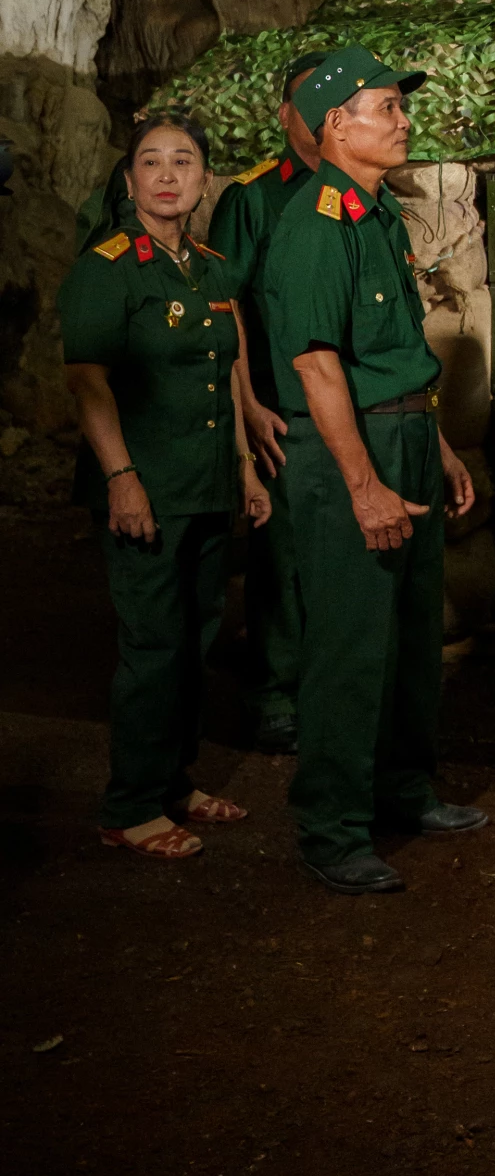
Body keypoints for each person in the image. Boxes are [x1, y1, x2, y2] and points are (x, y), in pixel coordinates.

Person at [259, 43, 483, 896]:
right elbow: (316, 367)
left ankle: (403, 790)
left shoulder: (375, 214)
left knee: (412, 636)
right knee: (350, 644)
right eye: (385, 106)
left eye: (400, 104)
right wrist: (363, 484)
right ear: (334, 125)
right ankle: (333, 827)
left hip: (404, 436)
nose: (403, 120)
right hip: (350, 451)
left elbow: (393, 352)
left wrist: (439, 446)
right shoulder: (315, 227)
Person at [60, 113, 271, 860]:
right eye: (151, 161)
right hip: (145, 485)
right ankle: (130, 806)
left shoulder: (209, 268)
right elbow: (88, 382)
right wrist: (122, 478)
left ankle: (173, 782)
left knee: (195, 640)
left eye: (184, 161)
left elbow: (226, 374)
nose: (168, 174)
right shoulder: (108, 267)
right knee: (153, 645)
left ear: (205, 179)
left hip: (205, 484)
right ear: (129, 181)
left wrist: (245, 467)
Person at [208, 57, 322, 753]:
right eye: (308, 100)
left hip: (347, 407)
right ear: (284, 115)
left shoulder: (354, 195)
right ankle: (275, 694)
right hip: (282, 408)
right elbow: (225, 310)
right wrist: (248, 404)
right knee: (282, 556)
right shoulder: (253, 199)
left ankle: (327, 691)